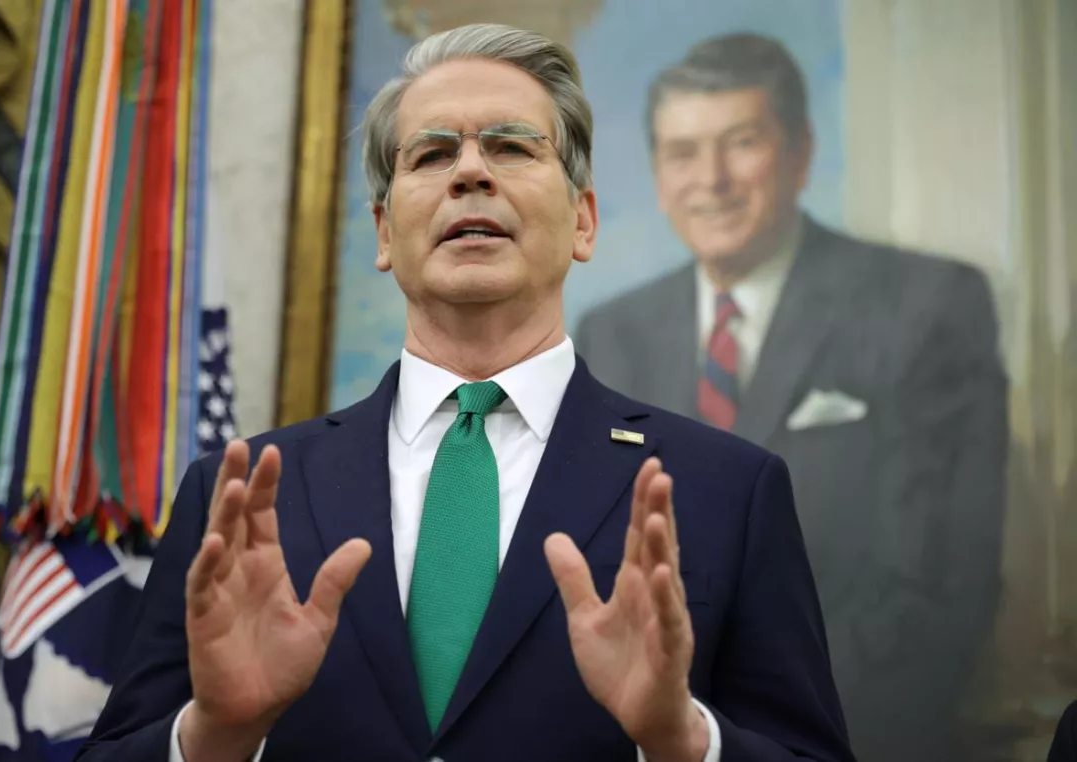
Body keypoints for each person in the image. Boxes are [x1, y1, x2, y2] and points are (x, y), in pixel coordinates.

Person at [78, 24, 854, 762]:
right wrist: (215, 733)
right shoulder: (241, 495)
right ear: (385, 233)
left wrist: (681, 737)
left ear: (583, 222)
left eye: (512, 146)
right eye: (432, 153)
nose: (470, 172)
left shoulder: (726, 490)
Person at [575, 33, 1008, 762]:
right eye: (682, 152)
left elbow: (941, 592)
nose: (711, 179)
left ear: (801, 153)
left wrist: (748, 742)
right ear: (657, 174)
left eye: (741, 142)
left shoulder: (928, 306)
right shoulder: (612, 332)